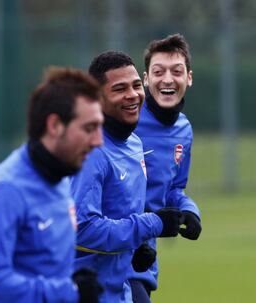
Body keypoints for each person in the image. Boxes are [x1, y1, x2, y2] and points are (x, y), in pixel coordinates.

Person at [0, 67, 104, 303]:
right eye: (89, 128)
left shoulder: (59, 178)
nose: (99, 141)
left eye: (100, 127)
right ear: (55, 125)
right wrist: (68, 292)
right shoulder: (6, 190)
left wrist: (70, 281)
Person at [70, 51, 184, 303]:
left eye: (135, 85)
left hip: (119, 289)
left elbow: (118, 216)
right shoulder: (91, 152)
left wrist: (135, 248)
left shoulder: (133, 143)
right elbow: (82, 229)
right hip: (83, 292)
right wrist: (152, 224)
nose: (132, 95)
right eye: (119, 88)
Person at [128, 33, 202, 302]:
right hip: (113, 255)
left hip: (146, 258)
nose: (168, 79)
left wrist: (189, 211)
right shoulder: (126, 122)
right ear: (146, 79)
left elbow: (174, 189)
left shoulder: (184, 129)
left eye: (177, 71)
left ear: (189, 78)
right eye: (158, 72)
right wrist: (129, 240)